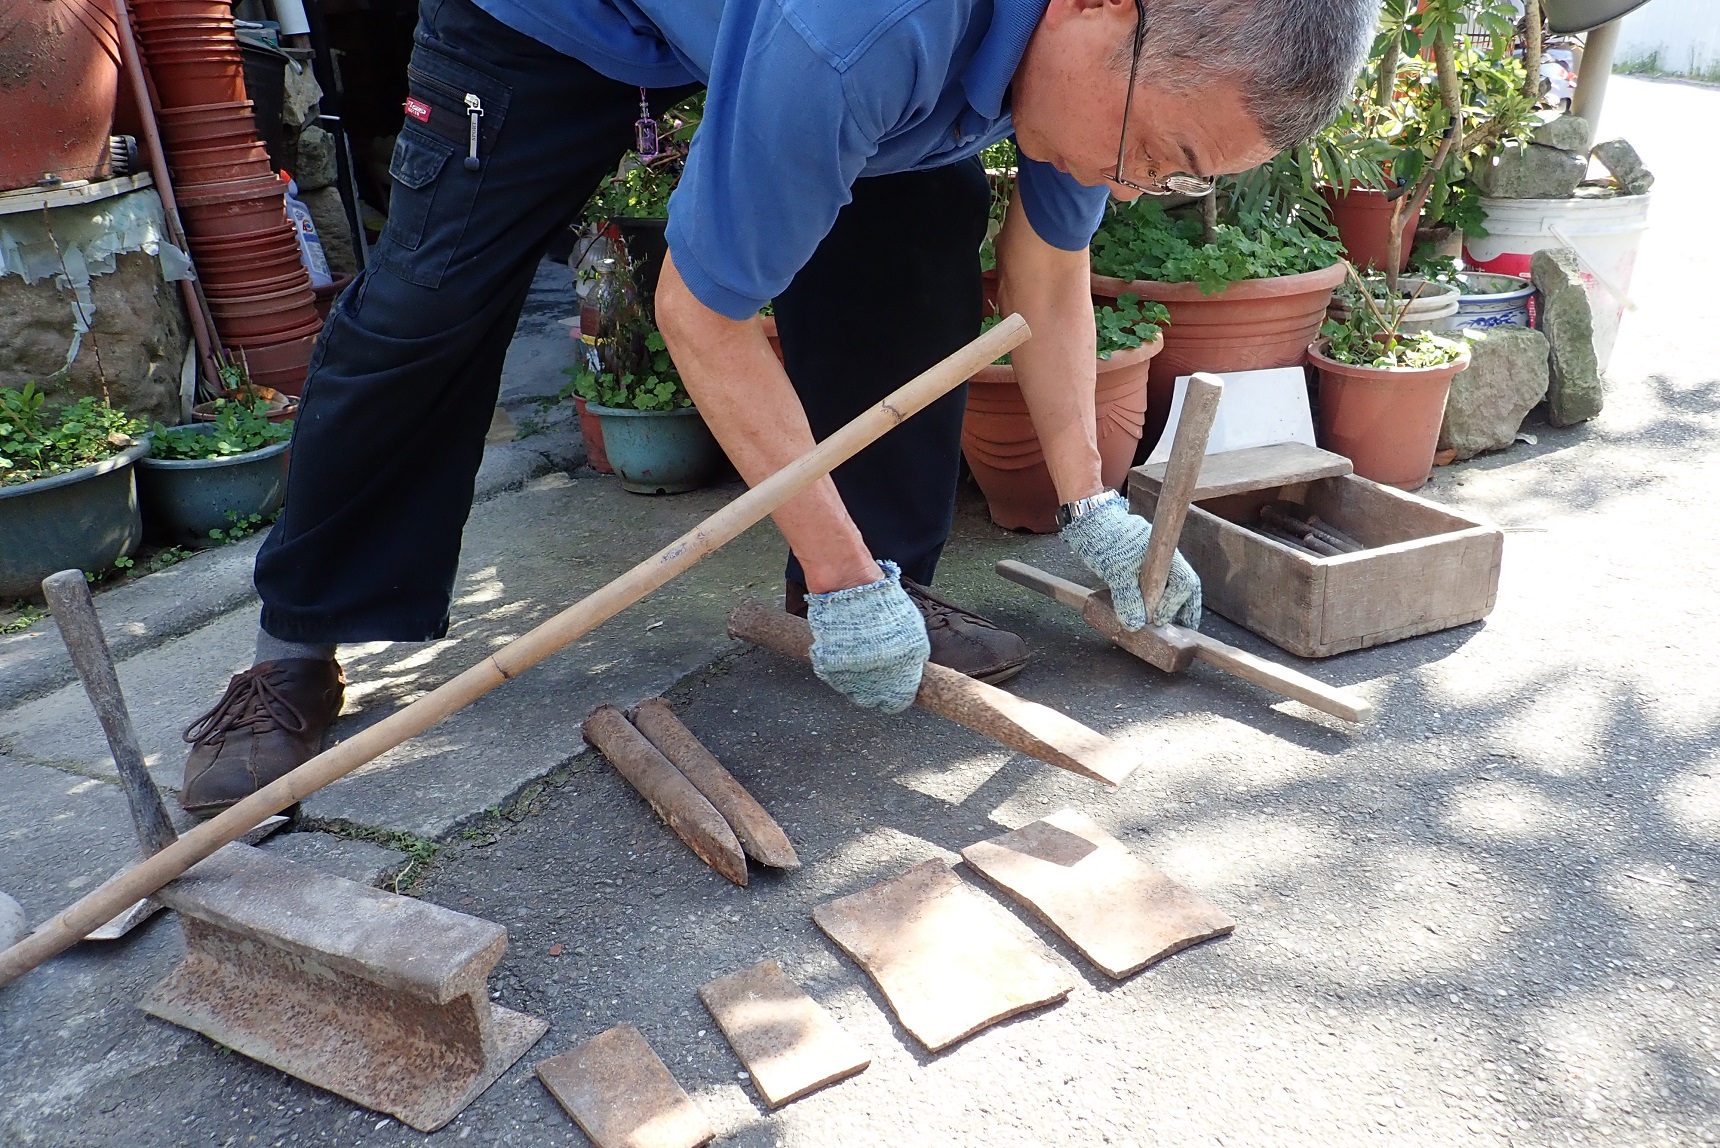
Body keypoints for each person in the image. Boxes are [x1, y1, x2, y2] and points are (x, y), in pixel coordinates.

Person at [177, 0, 1376, 814]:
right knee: (426, 304)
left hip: (790, 27)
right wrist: (842, 582)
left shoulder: (1107, 62)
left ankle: (879, 575)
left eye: (1179, 177)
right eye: (1150, 148)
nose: (1133, 182)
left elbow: (1050, 270)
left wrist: (1092, 508)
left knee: (912, 232)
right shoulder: (865, 31)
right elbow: (702, 312)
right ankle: (297, 644)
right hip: (547, 21)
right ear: (1101, 6)